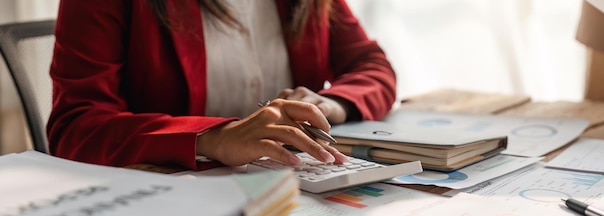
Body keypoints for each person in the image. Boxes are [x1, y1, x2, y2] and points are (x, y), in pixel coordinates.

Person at [48, 0, 396, 169]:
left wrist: (328, 104)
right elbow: (76, 125)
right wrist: (216, 136)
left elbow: (372, 65)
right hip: (173, 206)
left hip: (291, 190)